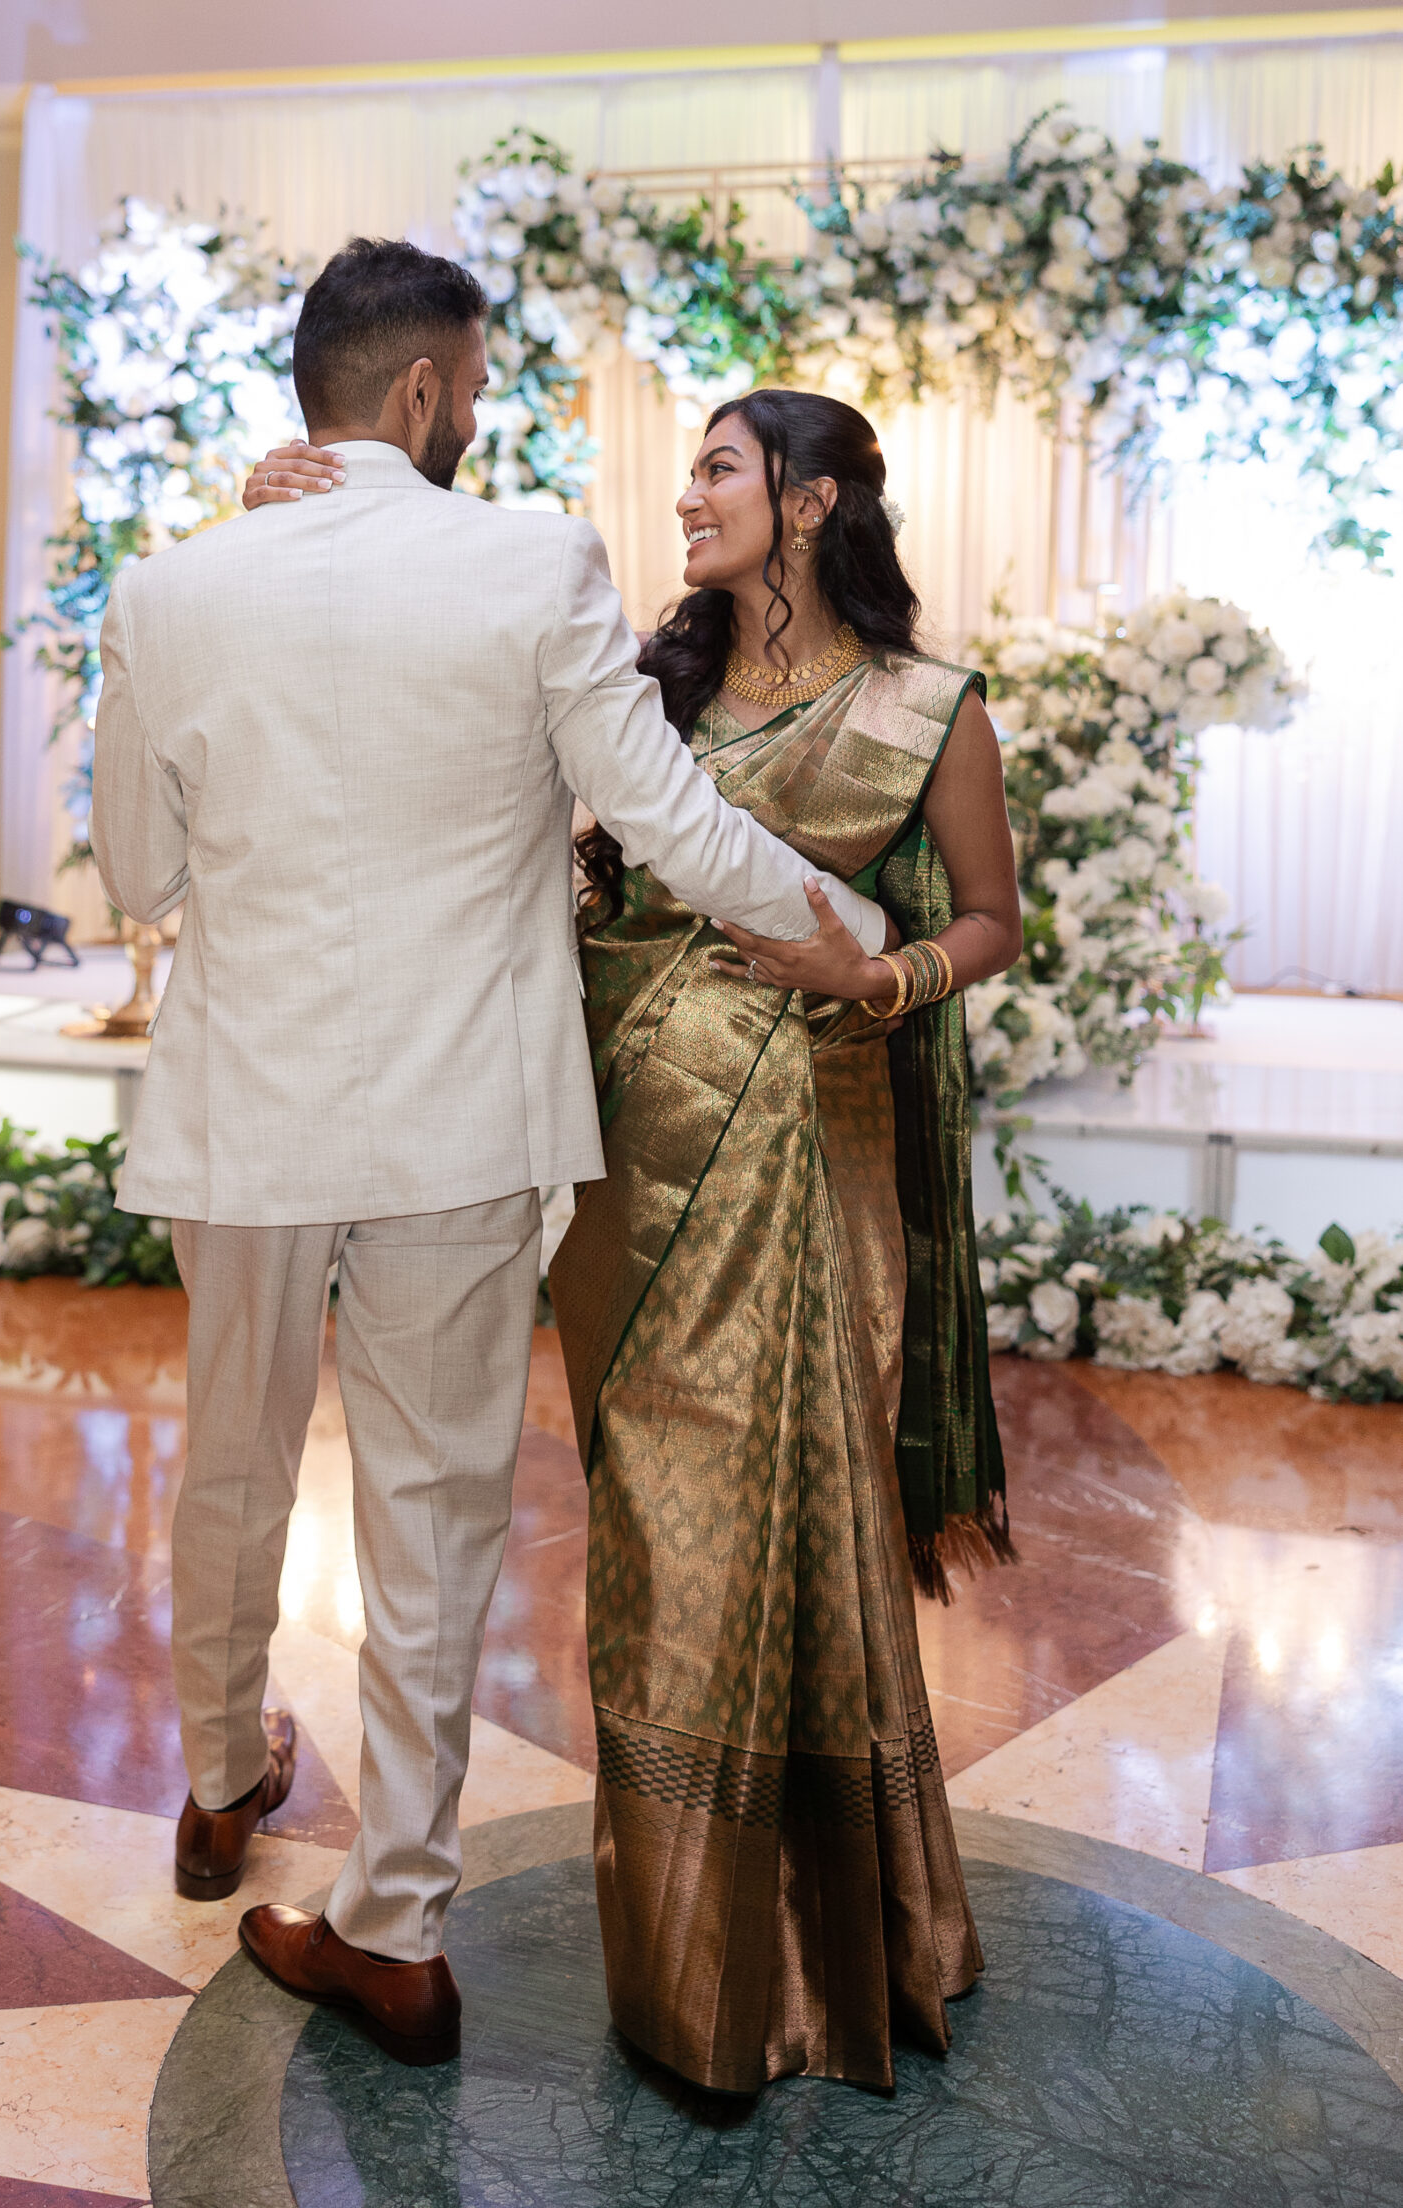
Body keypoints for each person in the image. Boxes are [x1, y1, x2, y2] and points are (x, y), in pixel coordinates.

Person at [90, 241, 888, 2070]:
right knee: (433, 1512)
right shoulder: (532, 558)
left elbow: (142, 877)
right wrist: (843, 925)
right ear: (429, 396)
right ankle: (393, 1925)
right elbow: (667, 819)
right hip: (457, 1119)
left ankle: (222, 1789)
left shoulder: (169, 586)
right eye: (480, 382)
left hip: (242, 1116)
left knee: (227, 1467)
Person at [251, 386, 1020, 2098]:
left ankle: (767, 1976)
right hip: (619, 1167)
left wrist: (872, 977)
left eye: (721, 471)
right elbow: (449, 729)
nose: (687, 499)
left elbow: (991, 922)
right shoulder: (651, 684)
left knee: (760, 1533)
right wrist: (290, 530)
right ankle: (695, 1949)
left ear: (814, 503)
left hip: (798, 1169)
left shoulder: (921, 709)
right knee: (652, 1541)